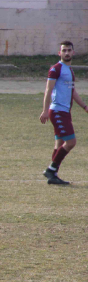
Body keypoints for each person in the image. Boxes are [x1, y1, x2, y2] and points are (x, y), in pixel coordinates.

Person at [40, 40, 88, 185]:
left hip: (65, 112)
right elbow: (48, 90)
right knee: (71, 142)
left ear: (73, 52)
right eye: (64, 50)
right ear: (59, 53)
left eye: (69, 50)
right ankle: (51, 170)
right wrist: (45, 111)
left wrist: (84, 107)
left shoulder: (70, 70)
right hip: (57, 111)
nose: (66, 53)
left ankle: (53, 176)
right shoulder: (56, 69)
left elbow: (72, 91)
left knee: (59, 144)